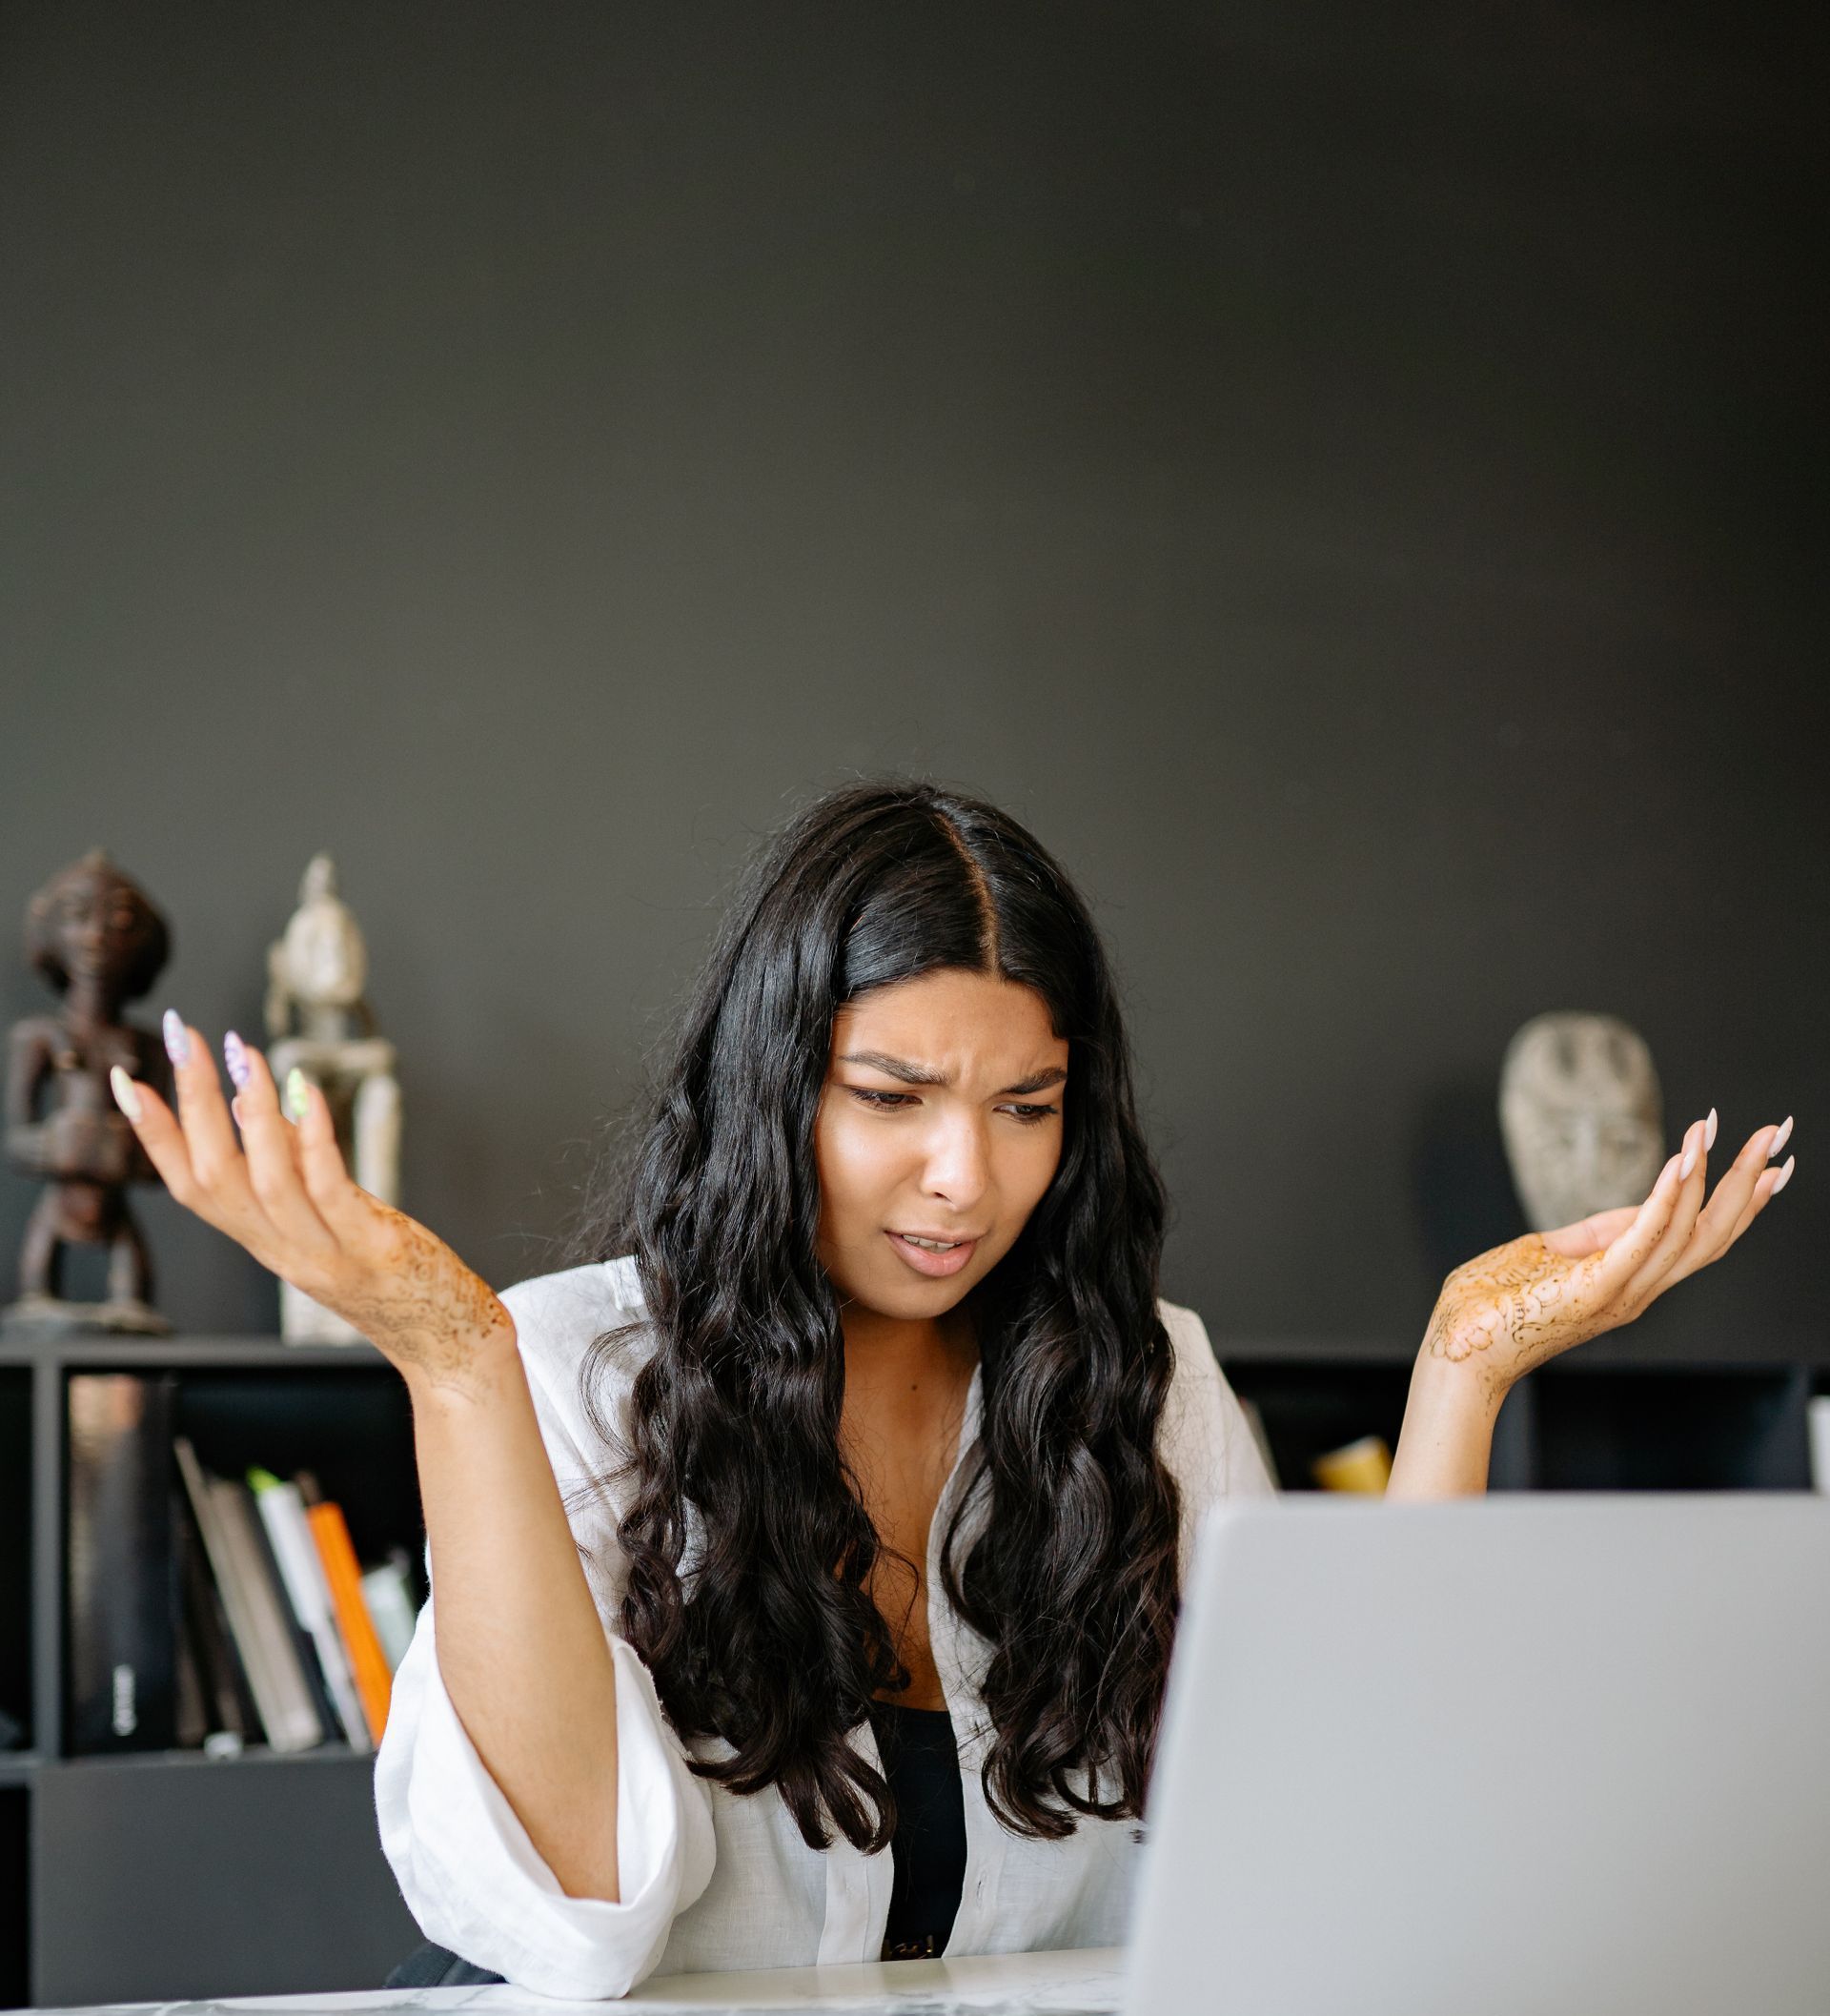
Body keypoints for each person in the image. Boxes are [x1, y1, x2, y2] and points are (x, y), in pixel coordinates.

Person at [108, 779, 1795, 1999]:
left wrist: (1463, 1372)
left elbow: (1341, 1864)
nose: (960, 1182)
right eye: (893, 1095)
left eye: (1024, 1106)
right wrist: (454, 1365)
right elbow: (583, 1921)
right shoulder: (569, 1364)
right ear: (777, 1088)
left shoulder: (1146, 1388)